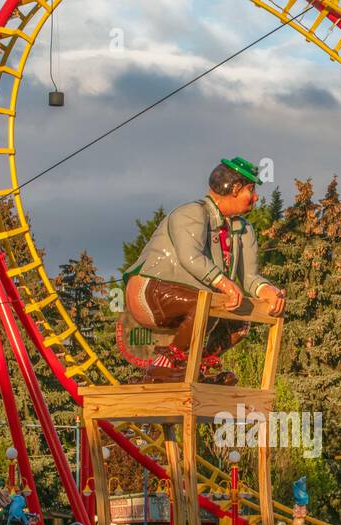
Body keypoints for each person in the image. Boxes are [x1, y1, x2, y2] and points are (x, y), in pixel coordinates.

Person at [122, 157, 287, 385]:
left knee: (240, 323)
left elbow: (249, 277)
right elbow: (191, 257)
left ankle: (196, 366)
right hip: (150, 291)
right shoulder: (192, 213)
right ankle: (164, 366)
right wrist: (224, 283)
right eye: (251, 190)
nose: (256, 197)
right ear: (234, 189)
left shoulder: (243, 230)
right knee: (202, 305)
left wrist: (265, 289)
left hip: (203, 300)